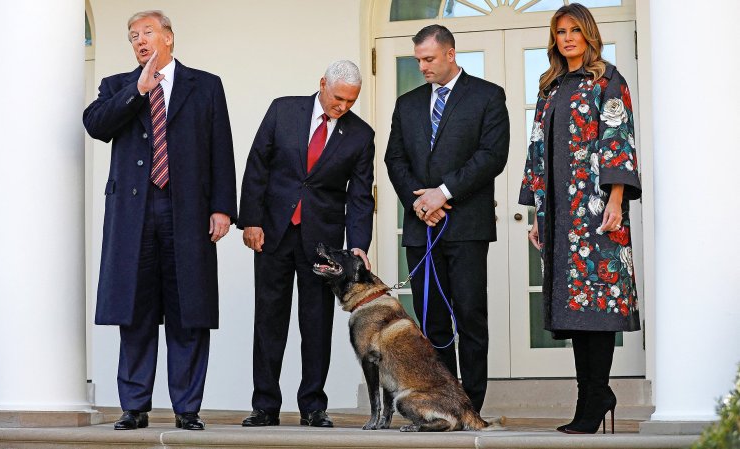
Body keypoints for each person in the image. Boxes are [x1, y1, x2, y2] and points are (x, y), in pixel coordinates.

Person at [83, 10, 237, 431]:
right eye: (132, 36)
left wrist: (223, 208)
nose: (139, 40)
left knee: (190, 309)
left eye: (146, 32)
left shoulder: (205, 85)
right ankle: (134, 405)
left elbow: (220, 148)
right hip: (133, 214)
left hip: (186, 211)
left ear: (168, 36)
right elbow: (95, 124)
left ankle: (188, 409)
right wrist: (137, 89)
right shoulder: (118, 85)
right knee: (135, 310)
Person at [519, 4, 641, 434]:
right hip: (558, 214)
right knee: (574, 312)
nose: (567, 38)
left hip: (596, 211)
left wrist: (616, 199)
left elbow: (617, 139)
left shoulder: (607, 80)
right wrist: (537, 211)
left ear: (589, 34)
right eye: (560, 31)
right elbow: (537, 149)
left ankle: (596, 396)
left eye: (574, 30)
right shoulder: (549, 87)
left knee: (598, 305)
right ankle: (589, 398)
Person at [238, 60, 375, 428]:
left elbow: (361, 196)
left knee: (316, 323)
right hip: (272, 233)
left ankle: (313, 405)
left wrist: (358, 244)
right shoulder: (284, 109)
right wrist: (250, 220)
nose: (342, 107)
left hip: (322, 243)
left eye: (351, 101)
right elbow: (257, 166)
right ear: (322, 84)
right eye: (338, 98)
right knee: (269, 320)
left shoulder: (361, 135)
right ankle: (265, 405)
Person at [384, 24, 510, 413]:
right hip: (422, 228)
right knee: (431, 323)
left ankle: (470, 406)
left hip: (467, 227)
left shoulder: (487, 96)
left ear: (450, 54)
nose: (422, 66)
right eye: (418, 59)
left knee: (470, 317)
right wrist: (421, 202)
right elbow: (395, 159)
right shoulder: (407, 104)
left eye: (429, 58)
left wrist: (445, 192)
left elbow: (492, 155)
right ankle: (443, 402)